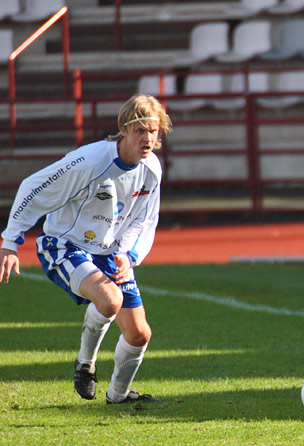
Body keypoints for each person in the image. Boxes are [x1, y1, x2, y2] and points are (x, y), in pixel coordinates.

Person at [0, 94, 172, 404]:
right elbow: (33, 187)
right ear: (124, 129)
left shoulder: (152, 170)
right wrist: (11, 241)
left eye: (154, 131)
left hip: (110, 253)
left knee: (139, 335)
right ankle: (85, 364)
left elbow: (145, 220)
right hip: (65, 245)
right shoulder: (91, 162)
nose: (148, 138)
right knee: (110, 300)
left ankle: (118, 396)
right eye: (141, 130)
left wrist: (130, 255)